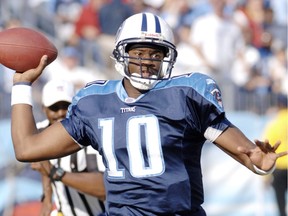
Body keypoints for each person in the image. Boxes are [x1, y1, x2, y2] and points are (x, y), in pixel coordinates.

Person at [10, 12, 288, 216]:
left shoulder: (187, 94)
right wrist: (22, 85)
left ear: (168, 58)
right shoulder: (94, 102)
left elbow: (251, 158)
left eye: (156, 55)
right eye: (139, 52)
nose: (146, 62)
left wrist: (263, 162)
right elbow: (27, 148)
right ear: (122, 54)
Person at [30, 80, 106, 216]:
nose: (60, 113)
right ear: (44, 108)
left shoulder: (88, 133)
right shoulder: (41, 132)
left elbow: (105, 189)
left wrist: (56, 173)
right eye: (54, 107)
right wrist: (47, 200)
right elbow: (44, 166)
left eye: (65, 106)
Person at [262, 94, 287, 216]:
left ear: (278, 106)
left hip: (279, 168)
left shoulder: (273, 124)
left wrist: (265, 177)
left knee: (280, 204)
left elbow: (266, 150)